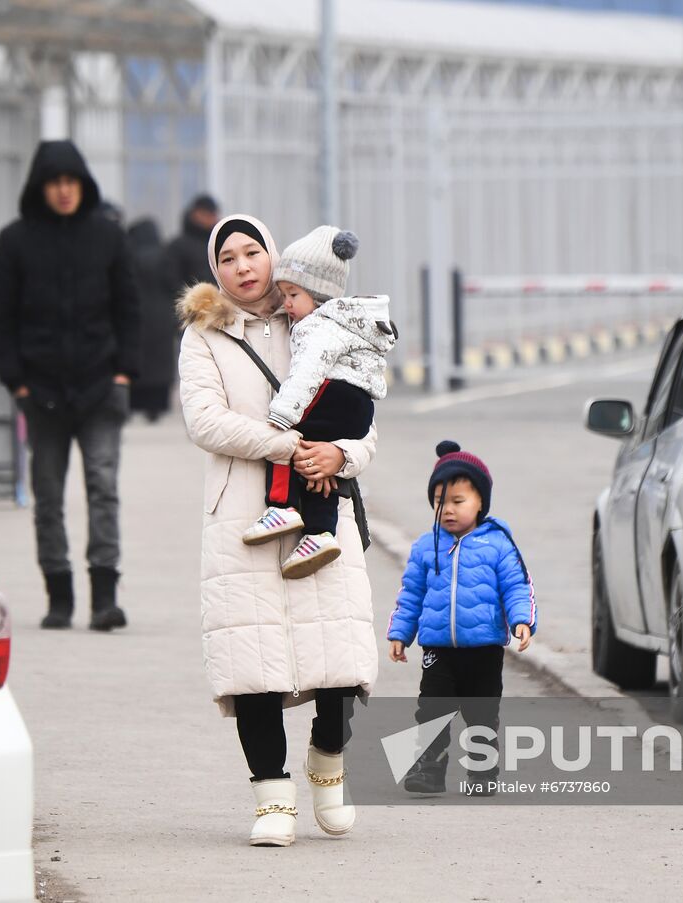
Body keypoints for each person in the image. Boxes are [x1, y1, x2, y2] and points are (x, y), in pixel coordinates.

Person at [176, 213, 378, 847]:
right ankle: (271, 797)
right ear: (216, 271)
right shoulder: (203, 337)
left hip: (322, 500)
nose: (242, 266)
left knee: (338, 657)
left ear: (272, 256)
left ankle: (328, 760)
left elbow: (365, 416)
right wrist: (288, 446)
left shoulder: (317, 319)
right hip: (242, 514)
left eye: (252, 252)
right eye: (228, 257)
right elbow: (204, 421)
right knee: (252, 659)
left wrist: (342, 456)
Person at [0, 140, 141, 632]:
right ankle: (59, 596)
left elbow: (130, 308)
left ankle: (104, 597)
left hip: (101, 386)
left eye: (71, 181)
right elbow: (0, 315)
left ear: (83, 184)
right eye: (54, 183)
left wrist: (123, 374)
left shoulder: (109, 238)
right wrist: (18, 382)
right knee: (48, 495)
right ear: (40, 187)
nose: (64, 191)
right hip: (42, 391)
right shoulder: (15, 242)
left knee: (103, 488)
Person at [239, 225, 395, 579]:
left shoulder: (317, 326)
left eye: (293, 294)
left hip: (335, 395)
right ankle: (320, 532)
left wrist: (281, 415)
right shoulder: (347, 322)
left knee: (284, 437)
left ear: (318, 292)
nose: (288, 304)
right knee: (315, 461)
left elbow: (308, 374)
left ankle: (281, 505)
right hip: (356, 408)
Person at [386, 440, 538, 796]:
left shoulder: (498, 544)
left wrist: (522, 620)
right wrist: (400, 632)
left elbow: (517, 584)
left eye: (458, 501)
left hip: (484, 649)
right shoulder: (426, 546)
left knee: (481, 715)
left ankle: (482, 775)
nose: (447, 510)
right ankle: (429, 771)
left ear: (481, 502)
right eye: (440, 502)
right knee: (431, 711)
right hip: (438, 647)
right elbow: (411, 593)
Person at [126, 218, 178, 421]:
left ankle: (135, 403)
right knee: (161, 362)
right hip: (162, 317)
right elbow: (174, 285)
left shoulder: (128, 256)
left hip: (137, 316)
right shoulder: (165, 256)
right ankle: (156, 407)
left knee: (138, 360)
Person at [166, 193, 220, 291]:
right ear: (195, 214)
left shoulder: (219, 243)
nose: (210, 218)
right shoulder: (178, 246)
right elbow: (171, 282)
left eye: (213, 214)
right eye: (205, 214)